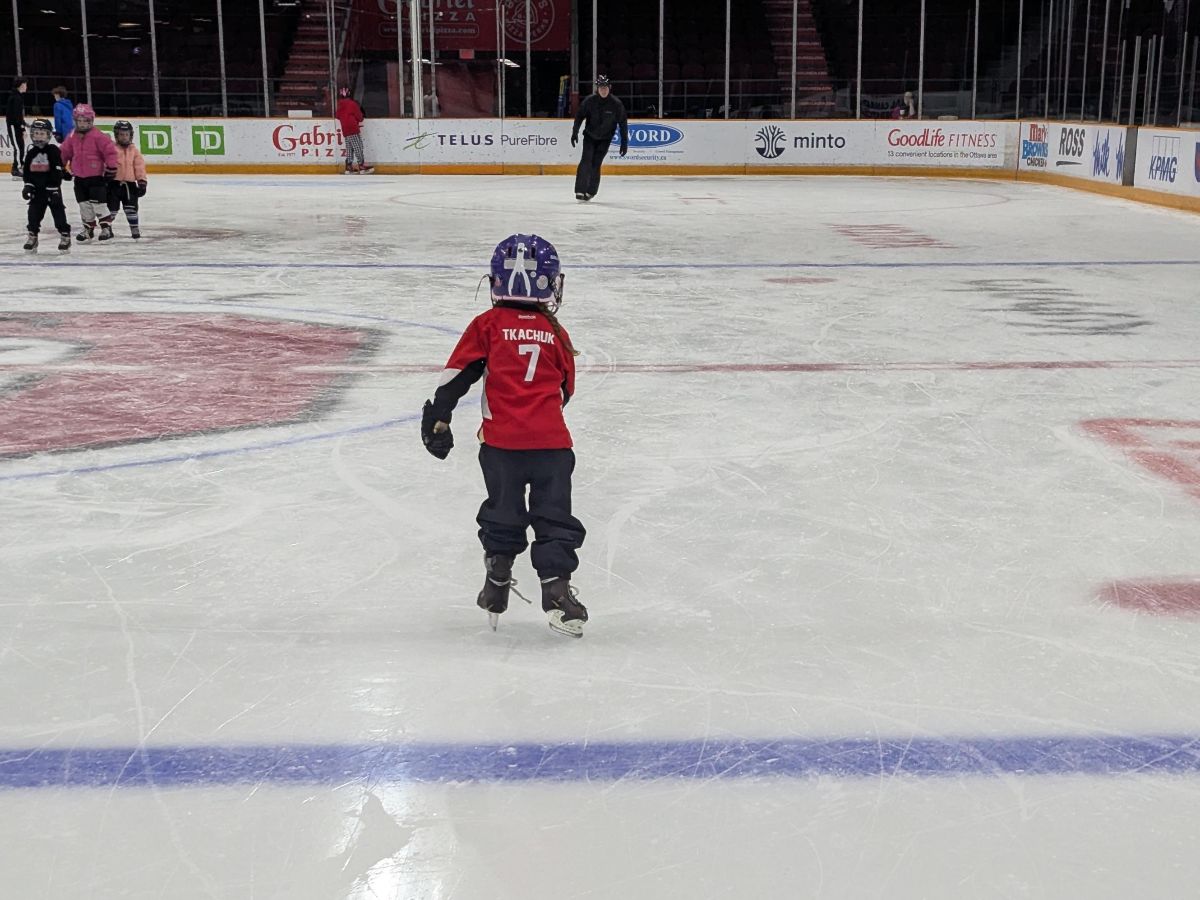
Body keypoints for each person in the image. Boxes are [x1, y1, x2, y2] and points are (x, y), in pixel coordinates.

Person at [421, 234, 589, 639]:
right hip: (552, 446)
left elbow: (455, 379)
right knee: (553, 516)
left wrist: (438, 419)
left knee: (503, 509)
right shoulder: (555, 332)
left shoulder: (487, 325)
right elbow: (566, 387)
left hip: (501, 447)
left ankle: (496, 580)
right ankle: (557, 591)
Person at [59, 103, 118, 242]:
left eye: (85, 121)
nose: (82, 124)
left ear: (91, 121)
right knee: (84, 205)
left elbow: (110, 152)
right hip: (79, 178)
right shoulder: (72, 135)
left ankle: (106, 227)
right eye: (79, 121)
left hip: (96, 177)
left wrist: (111, 167)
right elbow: (64, 151)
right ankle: (88, 229)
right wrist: (60, 167)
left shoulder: (98, 136)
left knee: (99, 204)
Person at [570, 75, 628, 202]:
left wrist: (624, 142)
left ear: (609, 88)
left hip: (605, 139)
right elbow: (579, 116)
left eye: (605, 87)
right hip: (590, 136)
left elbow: (623, 123)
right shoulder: (590, 101)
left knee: (596, 164)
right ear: (597, 88)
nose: (603, 90)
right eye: (601, 88)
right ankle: (580, 190)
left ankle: (591, 191)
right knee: (586, 161)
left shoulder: (616, 104)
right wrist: (575, 132)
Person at [20, 119, 72, 252]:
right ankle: (33, 236)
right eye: (36, 133)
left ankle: (65, 235)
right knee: (33, 215)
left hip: (52, 191)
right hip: (37, 192)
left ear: (49, 135)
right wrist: (28, 186)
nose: (39, 136)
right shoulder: (31, 153)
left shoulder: (53, 151)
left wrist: (54, 188)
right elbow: (27, 172)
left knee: (58, 214)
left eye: (42, 134)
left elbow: (57, 170)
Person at [107, 120, 148, 239]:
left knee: (131, 207)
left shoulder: (134, 151)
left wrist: (142, 181)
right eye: (121, 134)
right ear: (116, 135)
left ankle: (134, 227)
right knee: (111, 209)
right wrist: (105, 177)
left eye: (126, 134)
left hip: (129, 185)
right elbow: (106, 164)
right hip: (113, 184)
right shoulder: (111, 149)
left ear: (131, 135)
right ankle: (107, 227)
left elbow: (139, 166)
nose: (124, 137)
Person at [335, 87, 372, 174]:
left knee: (349, 148)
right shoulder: (352, 104)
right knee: (358, 146)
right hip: (353, 128)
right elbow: (360, 117)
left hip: (345, 129)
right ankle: (361, 165)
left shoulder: (340, 105)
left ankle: (349, 165)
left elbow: (337, 115)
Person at [6, 78, 28, 178]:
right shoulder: (16, 98)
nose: (26, 86)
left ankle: (18, 167)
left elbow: (18, 115)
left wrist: (24, 124)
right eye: (25, 84)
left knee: (20, 146)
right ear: (21, 85)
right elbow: (16, 115)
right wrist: (22, 128)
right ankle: (17, 168)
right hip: (14, 126)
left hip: (16, 125)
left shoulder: (17, 96)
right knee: (18, 147)